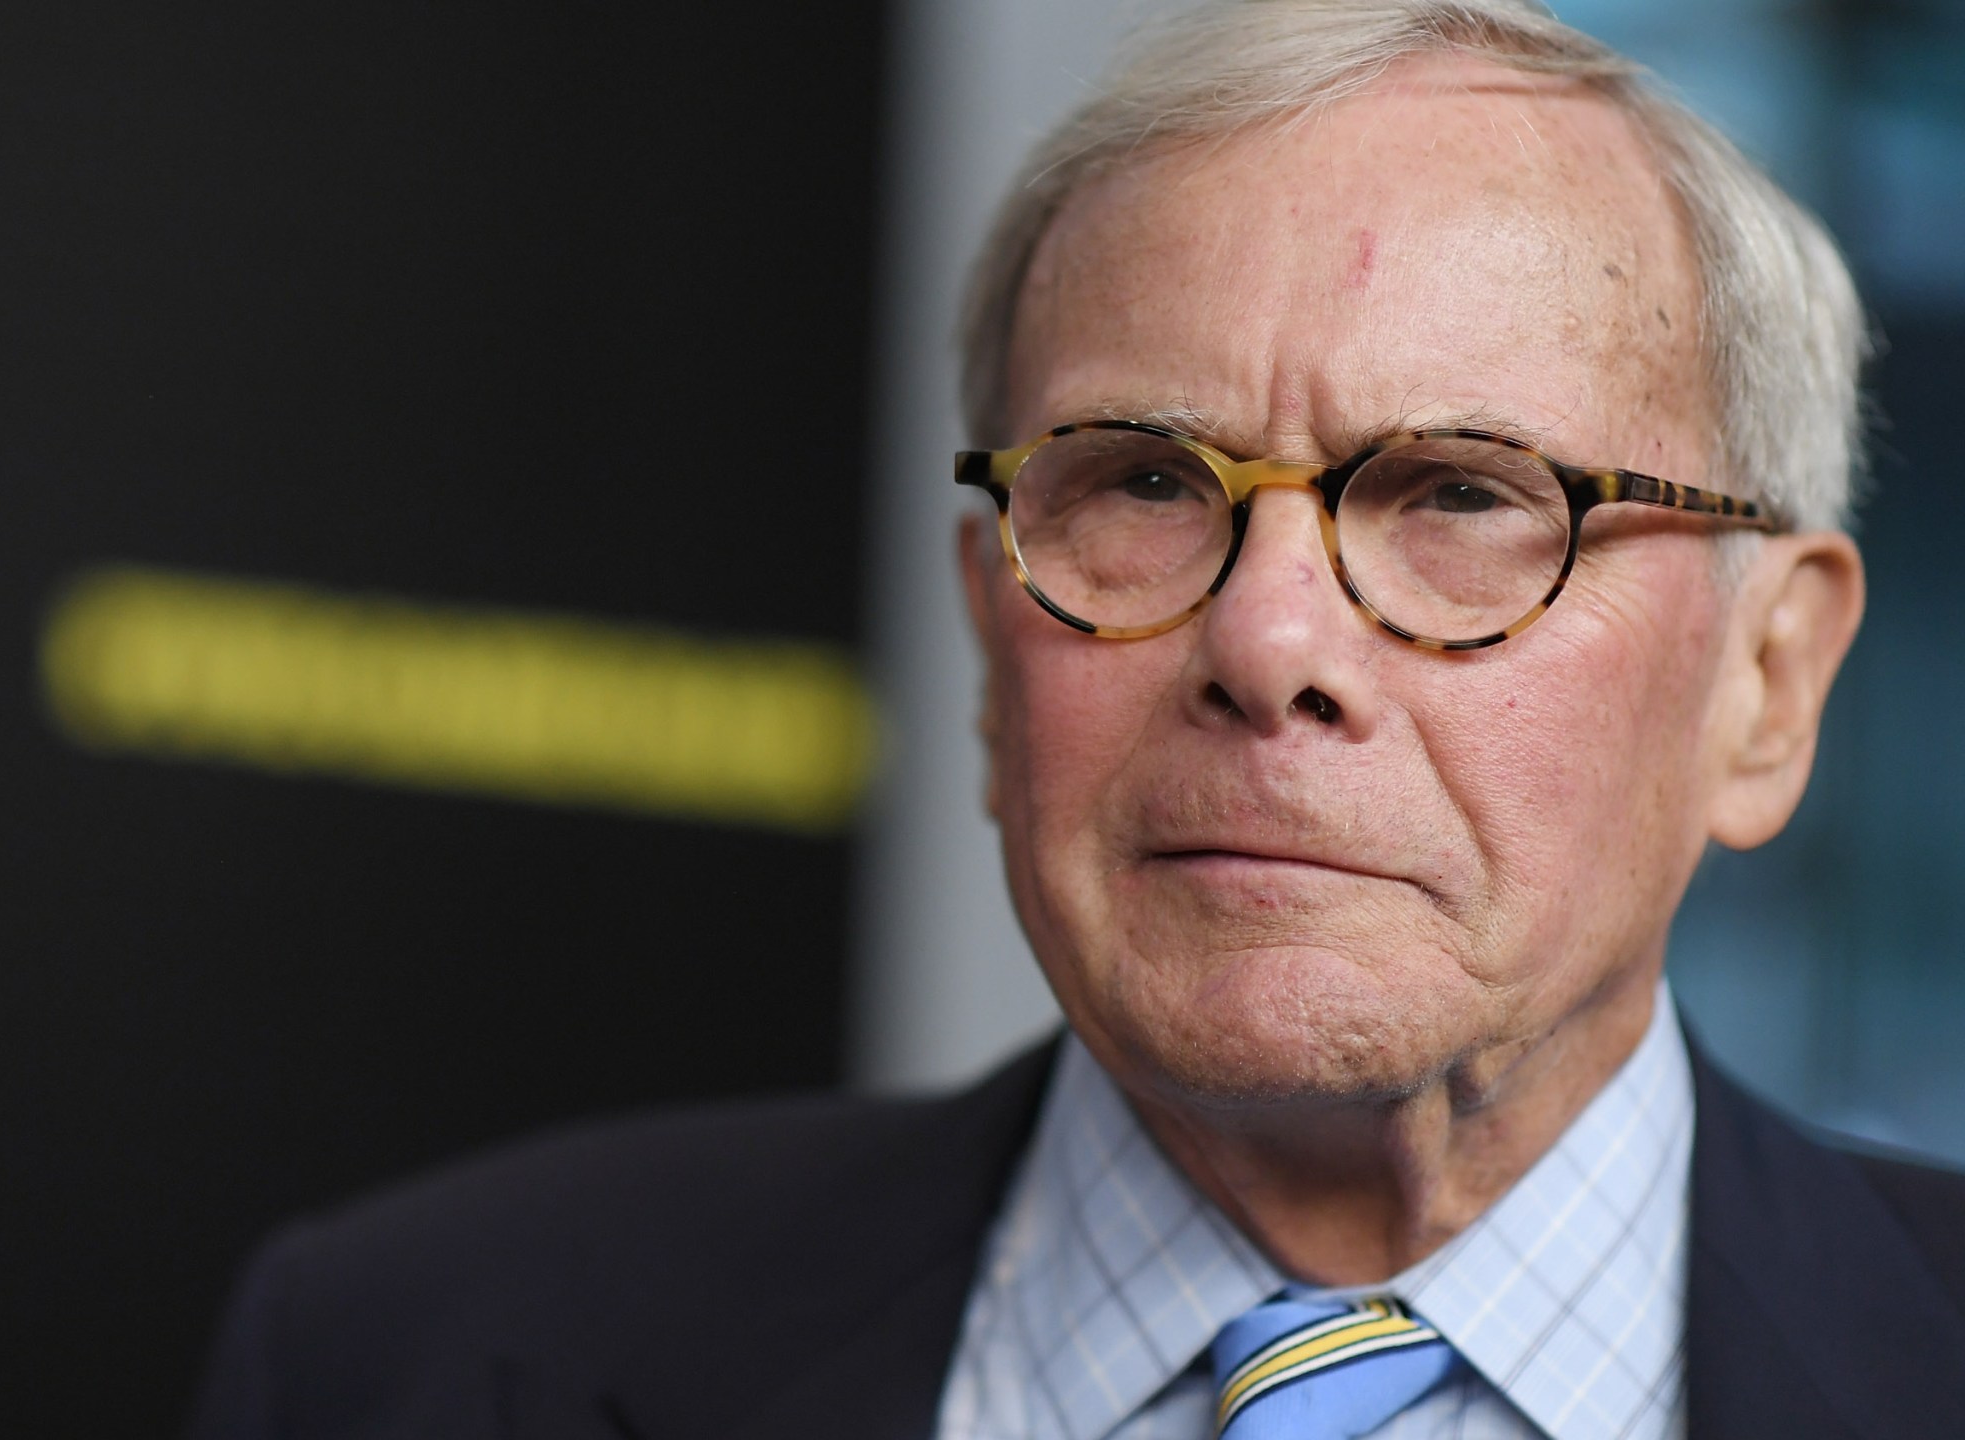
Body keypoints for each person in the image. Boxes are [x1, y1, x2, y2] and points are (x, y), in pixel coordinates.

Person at [187, 2, 1965, 1435]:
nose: (1266, 639)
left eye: (1457, 497)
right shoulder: (408, 1357)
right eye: (1141, 482)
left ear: (1766, 685)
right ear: (987, 637)